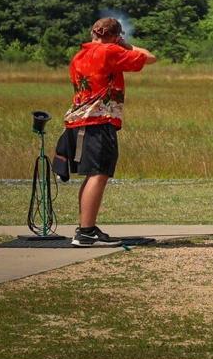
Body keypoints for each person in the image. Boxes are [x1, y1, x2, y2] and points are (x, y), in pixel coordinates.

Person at [58, 17, 157, 246]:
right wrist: (125, 44)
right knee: (99, 174)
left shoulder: (79, 55)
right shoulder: (110, 51)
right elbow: (149, 57)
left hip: (78, 121)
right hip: (99, 121)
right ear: (115, 36)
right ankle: (85, 232)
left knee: (92, 175)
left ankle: (86, 227)